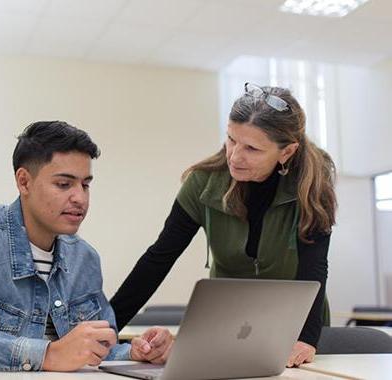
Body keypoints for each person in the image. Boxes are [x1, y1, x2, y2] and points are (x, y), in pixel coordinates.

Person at [0, 121, 174, 371]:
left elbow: (96, 349)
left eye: (86, 185)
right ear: (24, 181)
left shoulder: (85, 258)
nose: (80, 198)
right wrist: (48, 354)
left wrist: (136, 352)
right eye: (64, 184)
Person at [110, 83, 336, 368]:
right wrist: (107, 329)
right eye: (231, 139)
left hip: (295, 324)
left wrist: (306, 338)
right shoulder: (204, 183)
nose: (235, 156)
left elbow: (314, 269)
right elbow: (159, 258)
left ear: (286, 152)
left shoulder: (312, 186)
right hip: (229, 322)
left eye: (252, 148)